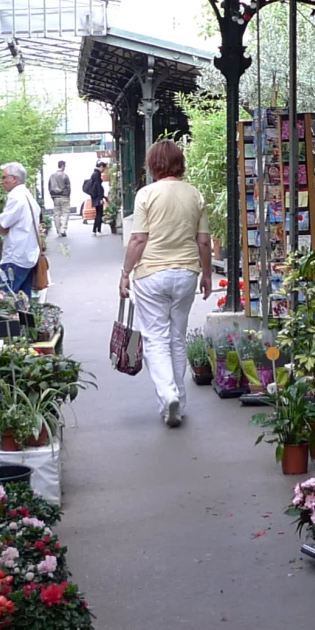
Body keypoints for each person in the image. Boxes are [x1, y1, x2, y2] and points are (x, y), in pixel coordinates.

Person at [117, 139, 211, 428]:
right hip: (185, 274)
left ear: (153, 164)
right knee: (177, 337)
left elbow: (138, 238)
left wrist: (125, 273)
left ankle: (168, 393)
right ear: (179, 163)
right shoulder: (195, 194)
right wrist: (207, 274)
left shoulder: (146, 194)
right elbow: (204, 240)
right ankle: (177, 403)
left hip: (151, 275)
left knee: (155, 338)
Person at [0, 162, 41, 294]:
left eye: (4, 177)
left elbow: (0, 226)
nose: (1, 181)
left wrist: (1, 226)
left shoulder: (16, 197)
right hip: (29, 255)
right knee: (23, 303)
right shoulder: (28, 195)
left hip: (15, 257)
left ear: (14, 178)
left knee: (5, 299)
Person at [46, 158, 73, 236]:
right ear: (63, 166)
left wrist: (52, 196)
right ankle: (63, 229)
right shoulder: (65, 176)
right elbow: (68, 187)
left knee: (57, 214)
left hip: (55, 197)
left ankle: (58, 230)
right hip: (64, 196)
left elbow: (49, 187)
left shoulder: (52, 176)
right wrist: (68, 195)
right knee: (65, 213)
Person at [83, 162, 108, 234]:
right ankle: (98, 230)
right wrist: (101, 198)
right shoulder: (97, 174)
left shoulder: (94, 174)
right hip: (97, 196)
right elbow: (98, 187)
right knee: (99, 213)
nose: (104, 170)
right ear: (101, 167)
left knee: (98, 213)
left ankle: (95, 230)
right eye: (104, 168)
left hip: (95, 196)